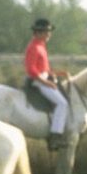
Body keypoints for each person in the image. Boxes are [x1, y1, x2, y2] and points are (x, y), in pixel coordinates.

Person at [24, 18, 69, 151]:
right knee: (62, 103)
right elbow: (32, 70)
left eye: (49, 31)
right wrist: (47, 83)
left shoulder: (41, 45)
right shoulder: (33, 47)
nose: (49, 34)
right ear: (38, 32)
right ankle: (55, 137)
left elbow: (45, 68)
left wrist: (58, 73)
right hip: (37, 81)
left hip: (43, 77)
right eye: (47, 32)